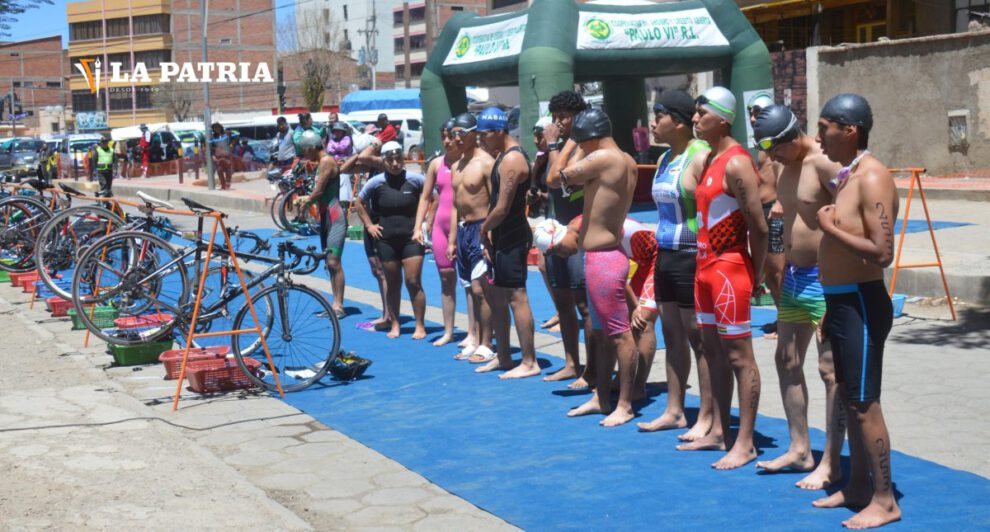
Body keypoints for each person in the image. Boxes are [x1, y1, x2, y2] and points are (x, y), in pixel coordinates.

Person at [811, 93, 901, 529]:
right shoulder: (850, 176)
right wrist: (831, 304)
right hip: (842, 302)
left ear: (850, 130)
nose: (817, 136)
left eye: (824, 126)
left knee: (865, 403)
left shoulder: (872, 177)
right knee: (849, 396)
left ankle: (885, 500)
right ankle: (860, 486)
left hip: (863, 303)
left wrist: (828, 227)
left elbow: (882, 253)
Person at [750, 105, 846, 490]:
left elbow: (852, 215)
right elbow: (783, 220)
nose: (770, 158)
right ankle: (800, 449)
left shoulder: (824, 164)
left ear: (792, 138)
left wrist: (837, 284)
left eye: (775, 149)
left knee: (831, 372)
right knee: (786, 359)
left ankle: (832, 462)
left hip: (825, 281)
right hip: (794, 277)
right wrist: (769, 270)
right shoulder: (784, 167)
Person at [676, 86, 767, 470]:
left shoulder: (736, 163)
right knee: (711, 351)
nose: (695, 120)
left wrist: (758, 275)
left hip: (730, 270)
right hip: (704, 269)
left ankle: (745, 442)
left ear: (724, 118)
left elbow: (758, 226)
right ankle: (717, 431)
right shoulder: (710, 157)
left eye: (702, 114)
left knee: (739, 357)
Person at [549, 108, 638, 427]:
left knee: (619, 335)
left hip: (603, 258)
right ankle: (602, 397)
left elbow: (555, 176)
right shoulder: (626, 159)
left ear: (590, 138)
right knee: (602, 335)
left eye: (583, 142)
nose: (581, 149)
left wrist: (563, 144)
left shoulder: (604, 158)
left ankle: (624, 404)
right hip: (604, 254)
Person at [635, 90, 715, 438]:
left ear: (679, 122)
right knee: (672, 336)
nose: (653, 122)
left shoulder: (702, 156)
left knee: (699, 339)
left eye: (659, 115)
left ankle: (708, 417)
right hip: (665, 255)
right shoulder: (666, 157)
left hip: (692, 257)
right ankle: (675, 409)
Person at [552, 214, 659, 401]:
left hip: (655, 258)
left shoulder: (592, 234)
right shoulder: (579, 233)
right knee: (626, 321)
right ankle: (623, 379)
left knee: (643, 319)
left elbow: (617, 276)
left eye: (560, 250)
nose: (563, 256)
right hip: (638, 259)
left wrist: (635, 306)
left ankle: (638, 387)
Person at [476, 107, 539, 379]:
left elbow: (502, 208)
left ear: (499, 132)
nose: (481, 141)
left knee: (516, 296)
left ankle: (529, 361)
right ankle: (504, 357)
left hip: (512, 234)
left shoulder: (513, 160)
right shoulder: (501, 156)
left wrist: (483, 230)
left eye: (483, 136)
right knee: (499, 297)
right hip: (501, 235)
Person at [542, 90, 596, 388]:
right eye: (555, 117)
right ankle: (571, 363)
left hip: (580, 233)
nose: (558, 123)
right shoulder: (561, 146)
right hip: (557, 229)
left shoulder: (585, 148)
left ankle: (592, 369)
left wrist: (553, 145)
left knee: (583, 305)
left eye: (563, 117)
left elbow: (558, 178)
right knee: (562, 300)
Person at [354, 141, 428, 340]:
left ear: (403, 159)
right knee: (393, 283)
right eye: (390, 160)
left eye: (398, 159)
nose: (395, 164)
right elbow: (358, 202)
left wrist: (425, 224)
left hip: (411, 238)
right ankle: (395, 324)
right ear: (384, 161)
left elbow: (433, 197)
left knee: (413, 282)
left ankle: (419, 325)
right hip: (386, 240)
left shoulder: (415, 179)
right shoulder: (376, 182)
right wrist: (369, 225)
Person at [448, 112, 497, 363]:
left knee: (481, 290)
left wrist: (488, 235)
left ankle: (487, 344)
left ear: (473, 134)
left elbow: (495, 202)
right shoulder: (457, 166)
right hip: (463, 231)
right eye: (453, 133)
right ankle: (475, 338)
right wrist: (451, 240)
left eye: (459, 133)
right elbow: (457, 205)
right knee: (469, 288)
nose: (455, 138)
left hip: (480, 228)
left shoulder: (487, 163)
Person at [413, 118, 464, 347]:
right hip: (441, 228)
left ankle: (478, 332)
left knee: (474, 283)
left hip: (464, 226)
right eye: (442, 136)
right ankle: (449, 330)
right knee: (446, 279)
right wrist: (418, 226)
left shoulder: (469, 162)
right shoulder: (436, 164)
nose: (446, 141)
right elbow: (426, 197)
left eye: (449, 136)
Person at [294, 129, 347, 318]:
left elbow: (318, 191)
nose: (304, 154)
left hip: (335, 216)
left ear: (310, 148)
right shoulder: (320, 162)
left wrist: (304, 201)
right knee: (328, 261)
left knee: (334, 261)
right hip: (326, 216)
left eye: (304, 150)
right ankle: (335, 304)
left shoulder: (326, 161)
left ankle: (339, 305)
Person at [342, 138, 392, 330]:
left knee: (385, 270)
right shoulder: (370, 167)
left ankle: (390, 315)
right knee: (376, 269)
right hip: (367, 222)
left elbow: (365, 155)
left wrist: (375, 144)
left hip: (380, 222)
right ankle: (386, 313)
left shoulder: (384, 164)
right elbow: (344, 169)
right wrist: (355, 154)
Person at [748, 95, 785, 340]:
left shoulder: (776, 140)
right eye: (751, 112)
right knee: (766, 271)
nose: (752, 117)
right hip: (762, 211)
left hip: (775, 210)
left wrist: (781, 201)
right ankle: (783, 318)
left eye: (758, 112)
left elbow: (787, 169)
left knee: (777, 269)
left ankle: (788, 323)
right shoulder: (761, 142)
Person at [326, 122, 355, 212]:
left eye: (339, 131)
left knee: (344, 179)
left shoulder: (347, 138)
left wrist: (335, 148)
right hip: (335, 164)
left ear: (343, 132)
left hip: (347, 164)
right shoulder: (332, 139)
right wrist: (336, 148)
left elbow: (343, 147)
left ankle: (344, 202)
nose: (337, 133)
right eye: (335, 131)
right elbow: (329, 150)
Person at [210, 123, 233, 190]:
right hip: (218, 156)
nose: (217, 129)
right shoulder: (213, 137)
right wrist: (212, 155)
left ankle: (228, 184)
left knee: (228, 170)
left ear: (221, 127)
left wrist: (231, 146)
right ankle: (223, 185)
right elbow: (211, 147)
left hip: (226, 155)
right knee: (219, 170)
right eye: (215, 128)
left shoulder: (226, 134)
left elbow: (235, 136)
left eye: (218, 127)